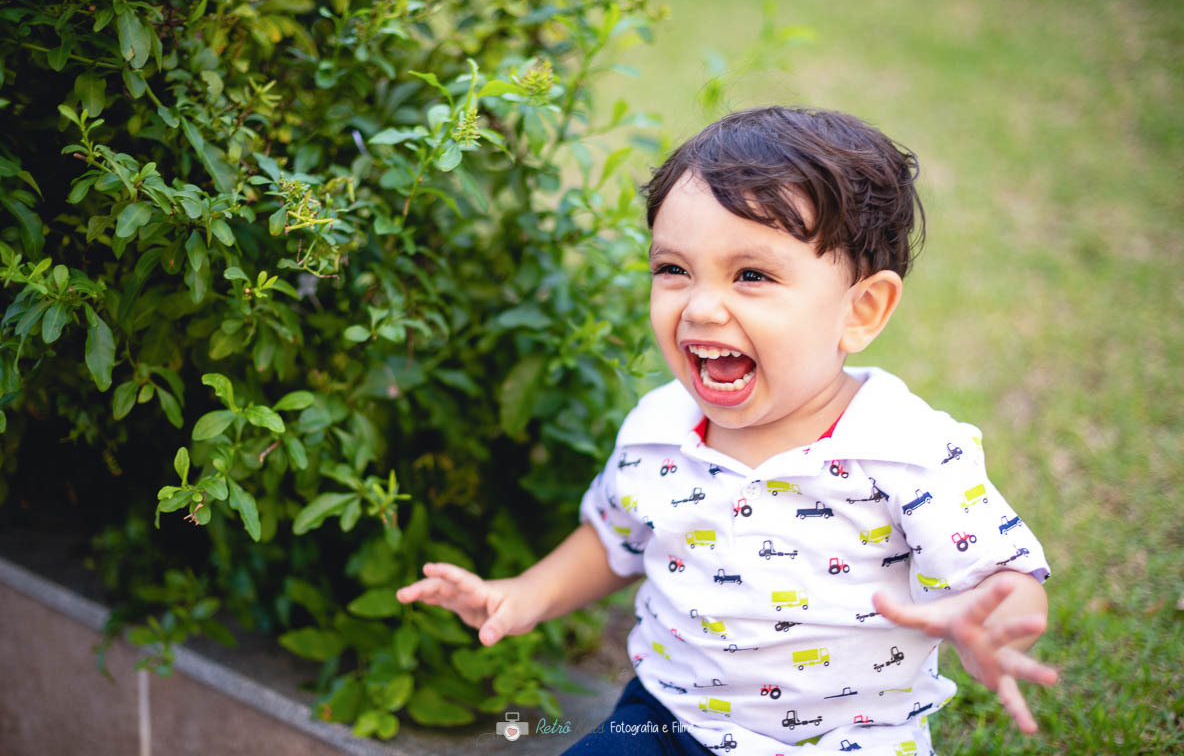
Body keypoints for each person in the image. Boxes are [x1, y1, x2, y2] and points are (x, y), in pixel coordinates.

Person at [396, 107, 1057, 755]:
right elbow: (613, 535)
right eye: (673, 270)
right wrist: (524, 594)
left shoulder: (907, 451)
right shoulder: (659, 429)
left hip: (846, 741)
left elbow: (1005, 577)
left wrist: (991, 627)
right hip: (665, 719)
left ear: (862, 310)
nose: (701, 306)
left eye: (751, 276)